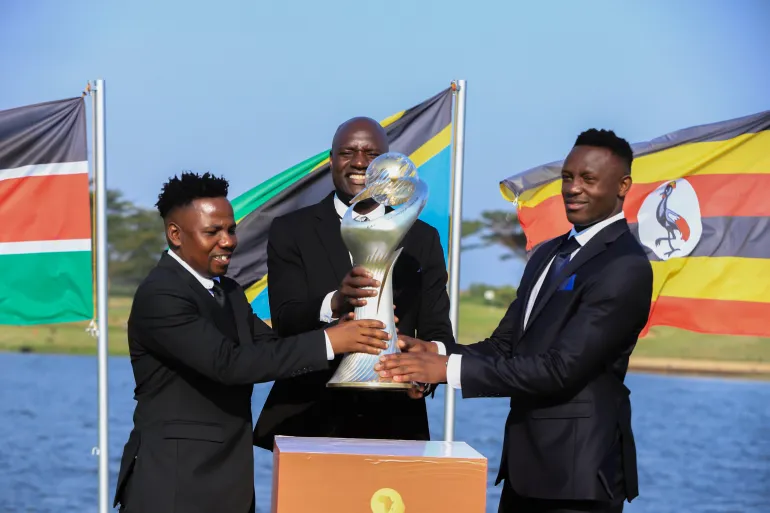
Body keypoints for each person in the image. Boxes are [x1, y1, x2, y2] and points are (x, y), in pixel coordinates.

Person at [376, 129, 654, 513]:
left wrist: (447, 370)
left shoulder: (625, 266)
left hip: (578, 480)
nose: (573, 188)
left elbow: (561, 369)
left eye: (588, 179)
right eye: (568, 177)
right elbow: (505, 346)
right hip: (523, 472)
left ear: (623, 186)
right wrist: (435, 352)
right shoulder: (547, 254)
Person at [113, 172, 391, 513]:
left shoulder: (228, 291)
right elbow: (228, 364)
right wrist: (330, 341)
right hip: (173, 486)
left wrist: (348, 330)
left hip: (229, 483)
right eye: (213, 232)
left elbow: (271, 347)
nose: (228, 241)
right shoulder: (161, 295)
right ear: (175, 234)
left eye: (231, 230)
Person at [253, 117, 455, 449]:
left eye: (371, 154)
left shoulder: (423, 239)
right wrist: (336, 302)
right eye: (348, 152)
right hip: (309, 420)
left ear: (388, 163)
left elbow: (438, 334)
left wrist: (418, 372)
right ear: (331, 160)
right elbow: (286, 321)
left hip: (395, 422)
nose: (360, 162)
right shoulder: (292, 231)